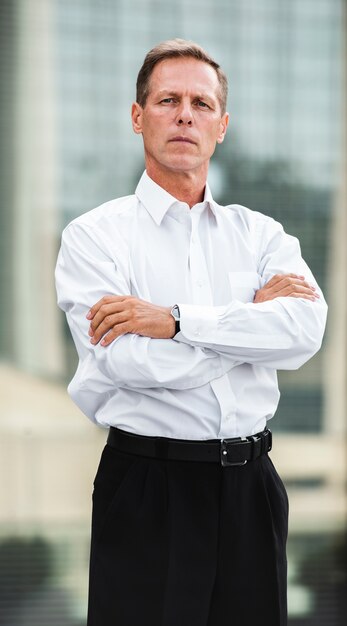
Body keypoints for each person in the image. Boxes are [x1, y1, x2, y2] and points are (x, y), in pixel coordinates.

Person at [55, 39, 327, 626]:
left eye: (201, 104)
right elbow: (130, 365)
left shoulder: (262, 235)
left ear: (221, 126)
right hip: (151, 489)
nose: (185, 114)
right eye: (168, 100)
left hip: (252, 489)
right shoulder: (94, 238)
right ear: (137, 116)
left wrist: (177, 321)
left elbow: (305, 332)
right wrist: (249, 325)